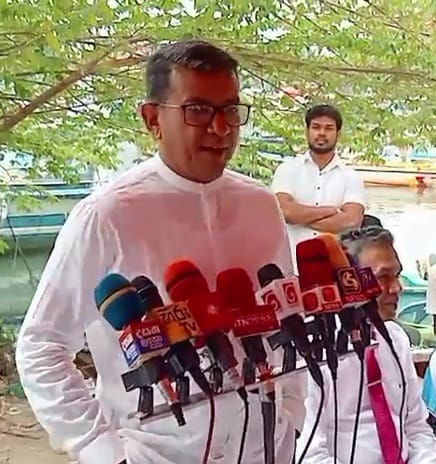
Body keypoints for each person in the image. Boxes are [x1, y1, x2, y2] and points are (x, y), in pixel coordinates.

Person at [15, 40, 304, 464]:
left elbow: (285, 314)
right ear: (153, 119)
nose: (220, 128)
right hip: (155, 451)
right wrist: (101, 448)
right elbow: (42, 346)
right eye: (198, 110)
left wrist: (292, 413)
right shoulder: (108, 214)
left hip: (265, 445)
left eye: (230, 110)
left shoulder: (261, 204)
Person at [296, 226, 436, 464]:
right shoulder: (315, 351)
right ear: (347, 281)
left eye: (397, 275)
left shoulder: (395, 338)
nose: (397, 288)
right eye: (383, 277)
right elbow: (310, 454)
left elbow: (416, 426)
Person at [271, 104, 365, 265]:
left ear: (338, 134)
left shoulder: (351, 176)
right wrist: (330, 211)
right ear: (307, 131)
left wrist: (299, 216)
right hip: (290, 265)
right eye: (316, 127)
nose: (321, 133)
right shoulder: (287, 169)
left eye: (329, 128)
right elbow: (285, 211)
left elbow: (351, 222)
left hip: (333, 268)